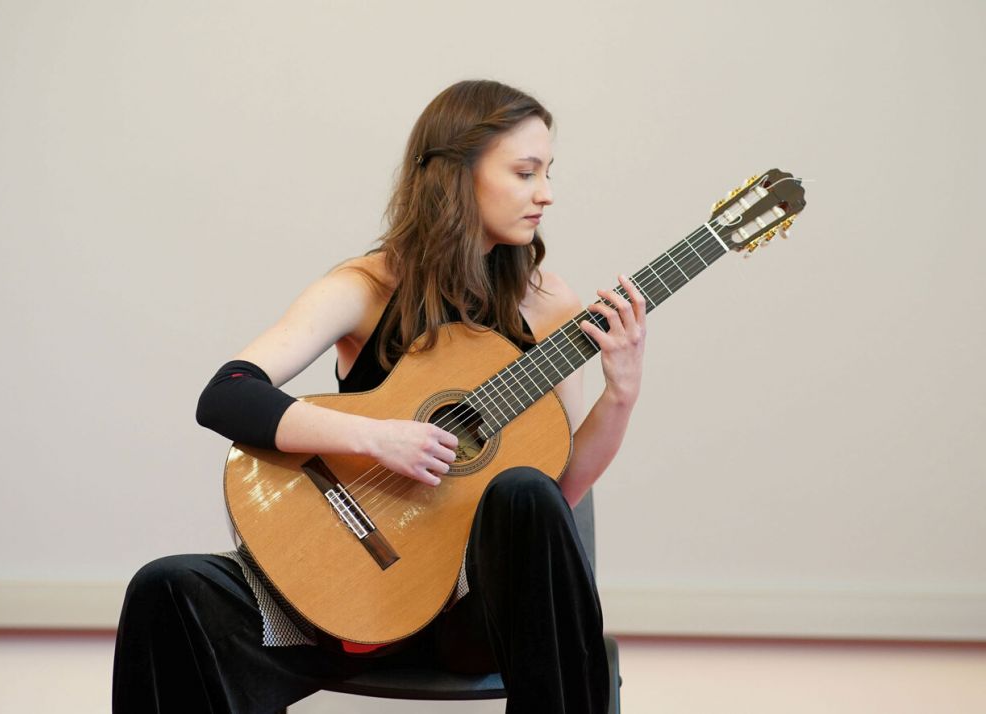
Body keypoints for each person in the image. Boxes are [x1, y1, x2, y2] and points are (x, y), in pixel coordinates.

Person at [112, 79, 646, 714]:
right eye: (526, 172)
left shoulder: (550, 304)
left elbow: (561, 495)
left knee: (525, 492)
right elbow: (226, 396)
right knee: (166, 587)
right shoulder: (365, 287)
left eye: (548, 172)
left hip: (471, 615)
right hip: (346, 601)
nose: (546, 194)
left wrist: (621, 393)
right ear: (456, 175)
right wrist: (375, 437)